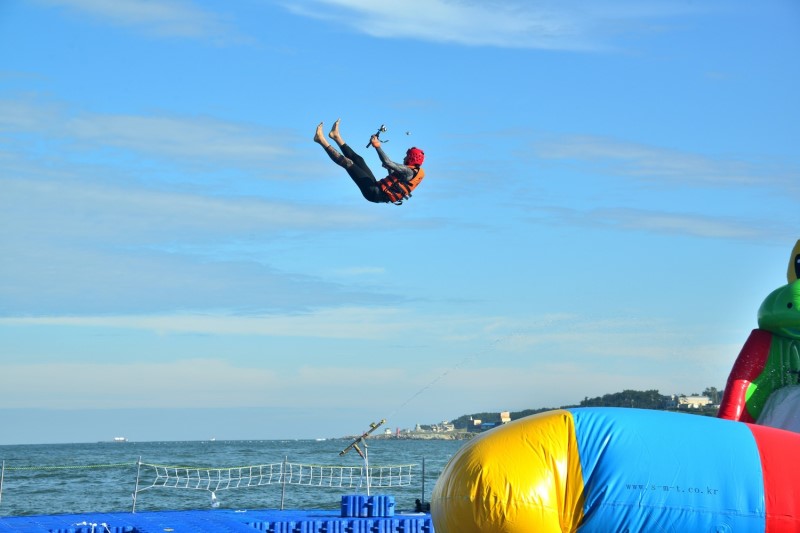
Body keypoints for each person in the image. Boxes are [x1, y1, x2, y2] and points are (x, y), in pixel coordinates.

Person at [314, 119, 425, 204]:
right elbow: (391, 174)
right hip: (376, 187)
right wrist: (389, 169)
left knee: (349, 164)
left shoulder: (409, 171)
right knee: (359, 160)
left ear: (412, 158)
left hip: (374, 193)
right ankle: (336, 136)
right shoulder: (410, 171)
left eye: (407, 156)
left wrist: (377, 146)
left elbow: (387, 161)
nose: (404, 158)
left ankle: (321, 140)